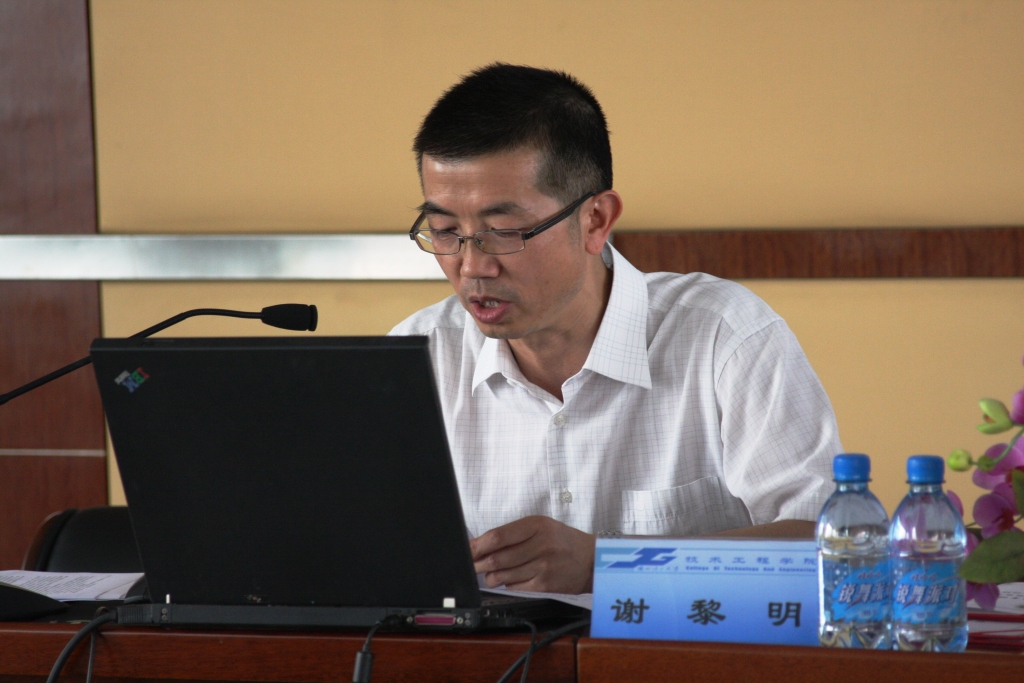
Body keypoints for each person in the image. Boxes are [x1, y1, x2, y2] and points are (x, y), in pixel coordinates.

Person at [390, 63, 842, 595]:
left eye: (504, 231)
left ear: (596, 220)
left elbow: (829, 547)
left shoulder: (725, 337)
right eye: (445, 230)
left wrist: (613, 564)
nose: (471, 266)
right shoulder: (415, 358)